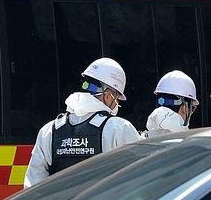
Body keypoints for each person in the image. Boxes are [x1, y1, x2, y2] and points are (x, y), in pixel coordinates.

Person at [24, 57, 140, 187]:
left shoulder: (49, 130)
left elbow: (33, 185)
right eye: (117, 98)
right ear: (108, 96)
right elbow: (139, 178)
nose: (116, 103)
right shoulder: (120, 128)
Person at [143, 71, 198, 137]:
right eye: (192, 108)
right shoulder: (186, 142)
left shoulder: (144, 138)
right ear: (185, 108)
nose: (191, 112)